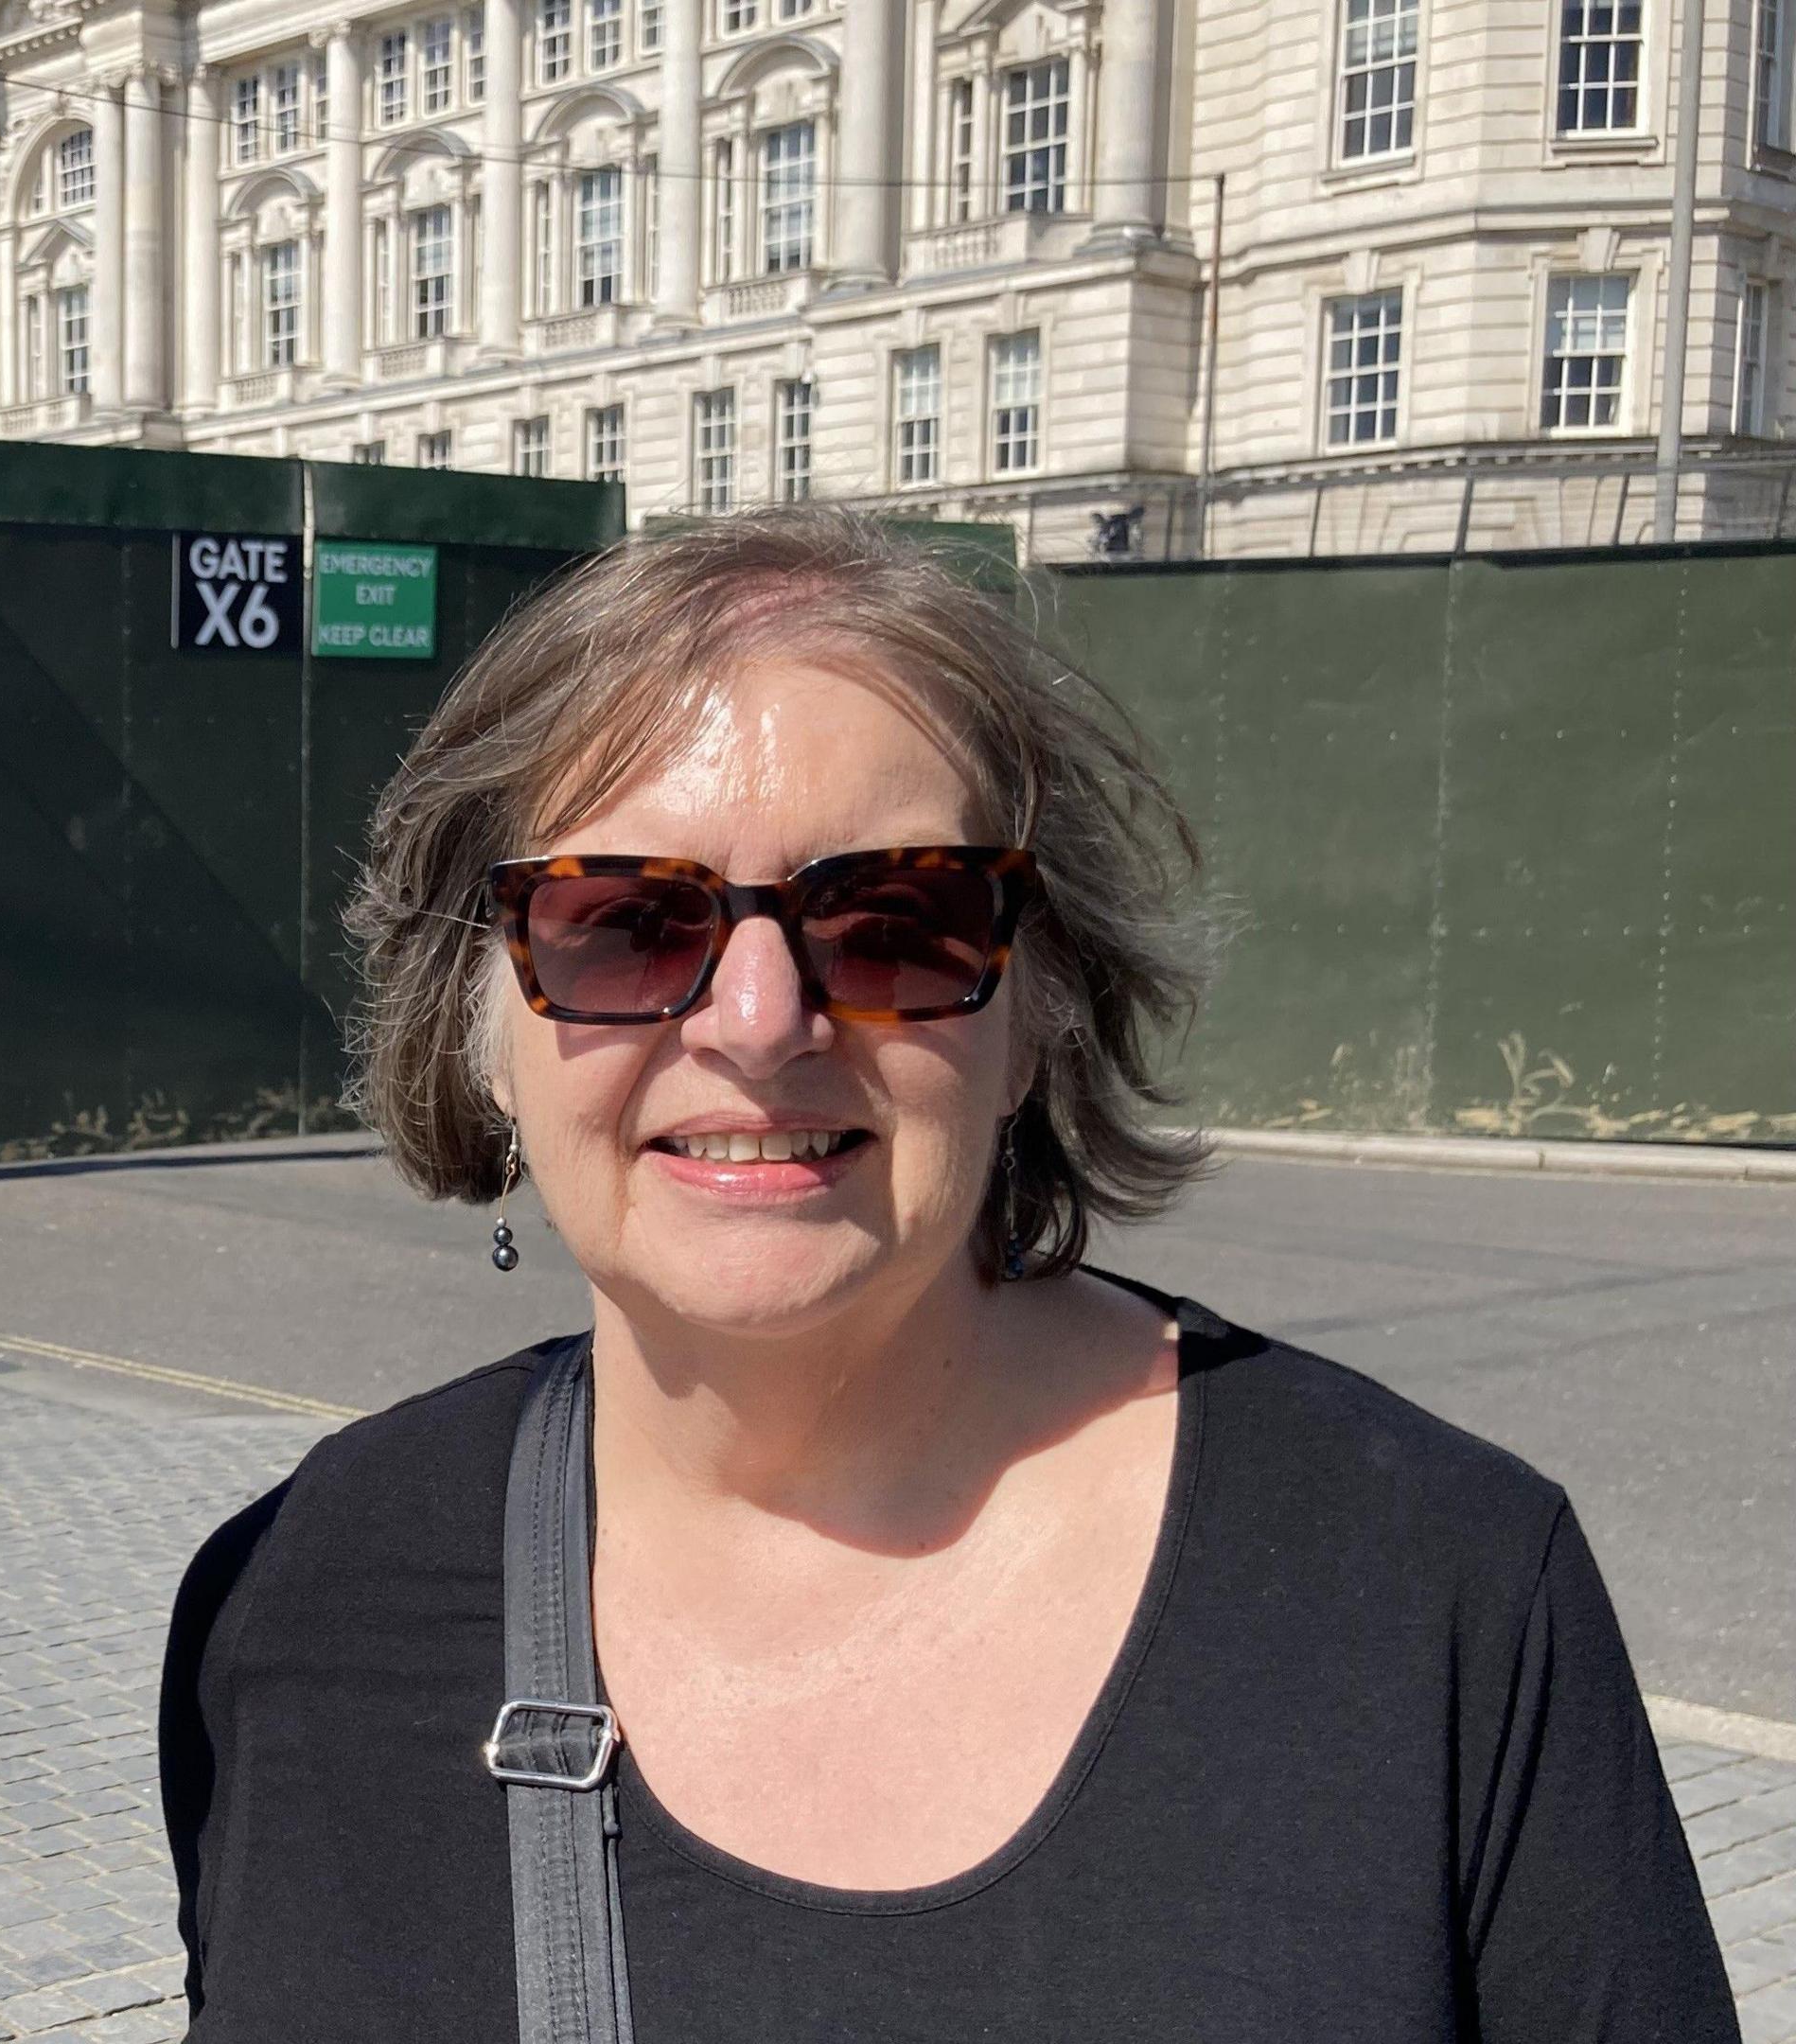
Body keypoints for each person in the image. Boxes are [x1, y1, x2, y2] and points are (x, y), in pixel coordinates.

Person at [159, 508, 1734, 2042]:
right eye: (626, 923)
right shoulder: (296, 1602)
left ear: (1041, 1001)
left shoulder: (1433, 1591)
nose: (760, 1021)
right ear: (476, 1025)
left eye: (893, 920)